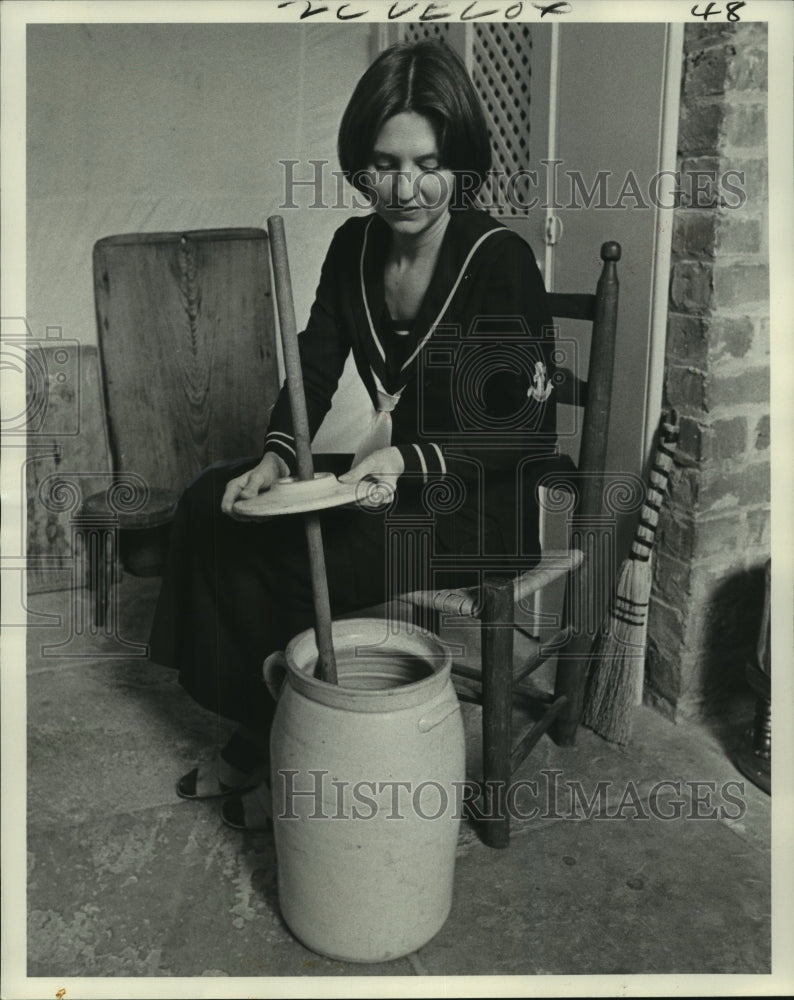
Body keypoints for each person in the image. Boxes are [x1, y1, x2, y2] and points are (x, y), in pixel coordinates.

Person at [148, 39, 557, 831]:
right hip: (392, 482)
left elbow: (528, 427)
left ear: (461, 160)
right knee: (212, 503)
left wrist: (410, 455)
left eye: (428, 162)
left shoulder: (498, 260)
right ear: (359, 162)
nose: (405, 187)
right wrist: (274, 455)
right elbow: (313, 360)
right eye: (383, 163)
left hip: (477, 508)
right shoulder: (353, 245)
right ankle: (267, 716)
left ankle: (271, 739)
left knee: (304, 553)